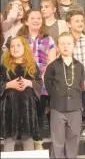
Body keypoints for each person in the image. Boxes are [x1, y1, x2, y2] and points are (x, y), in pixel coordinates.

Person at [17, 9, 56, 149]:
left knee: (39, 114)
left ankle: (38, 145)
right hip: (23, 82)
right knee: (25, 114)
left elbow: (51, 62)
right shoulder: (20, 39)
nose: (36, 20)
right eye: (33, 18)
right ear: (26, 21)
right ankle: (26, 145)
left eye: (39, 18)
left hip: (41, 84)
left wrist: (42, 80)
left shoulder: (48, 39)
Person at [44, 32, 85, 158]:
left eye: (68, 43)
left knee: (73, 138)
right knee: (57, 140)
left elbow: (80, 85)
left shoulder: (79, 66)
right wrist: (57, 97)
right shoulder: (52, 66)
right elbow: (48, 85)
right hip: (57, 107)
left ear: (74, 46)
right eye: (62, 44)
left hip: (75, 107)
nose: (65, 46)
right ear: (57, 47)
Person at [0, 36, 42, 151]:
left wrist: (29, 83)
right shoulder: (4, 67)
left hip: (27, 108)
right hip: (9, 110)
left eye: (18, 45)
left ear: (25, 48)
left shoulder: (32, 66)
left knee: (28, 138)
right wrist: (9, 85)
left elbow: (39, 83)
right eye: (12, 46)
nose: (15, 48)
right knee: (9, 139)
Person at [66, 10, 85, 152]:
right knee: (73, 119)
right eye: (76, 21)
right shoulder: (65, 41)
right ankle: (73, 151)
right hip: (71, 85)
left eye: (81, 21)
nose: (80, 23)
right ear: (68, 24)